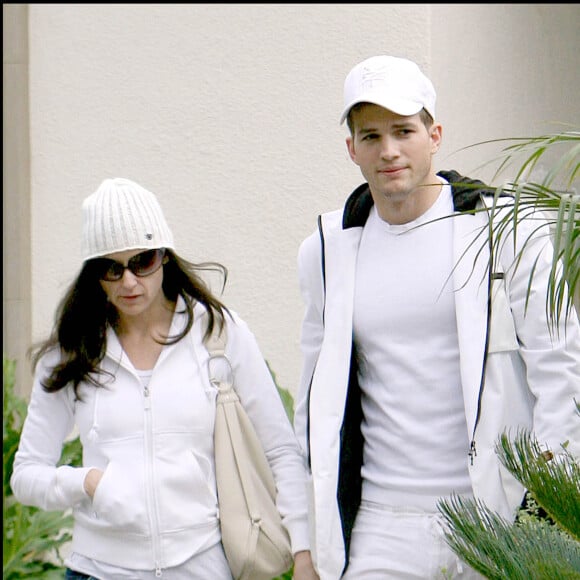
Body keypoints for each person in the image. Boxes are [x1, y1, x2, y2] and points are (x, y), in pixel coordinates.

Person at [293, 55, 580, 579]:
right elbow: (313, 405)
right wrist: (303, 541)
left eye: (404, 130)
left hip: (492, 519)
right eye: (371, 135)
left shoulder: (508, 232)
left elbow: (562, 375)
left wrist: (548, 515)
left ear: (435, 134)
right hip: (379, 526)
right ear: (351, 147)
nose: (389, 150)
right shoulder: (327, 251)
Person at [11, 177, 319, 580]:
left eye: (143, 261)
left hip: (201, 568)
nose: (129, 281)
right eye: (111, 267)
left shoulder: (218, 335)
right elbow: (27, 474)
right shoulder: (72, 351)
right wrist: (88, 482)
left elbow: (280, 450)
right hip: (98, 571)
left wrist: (303, 552)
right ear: (93, 273)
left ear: (165, 256)